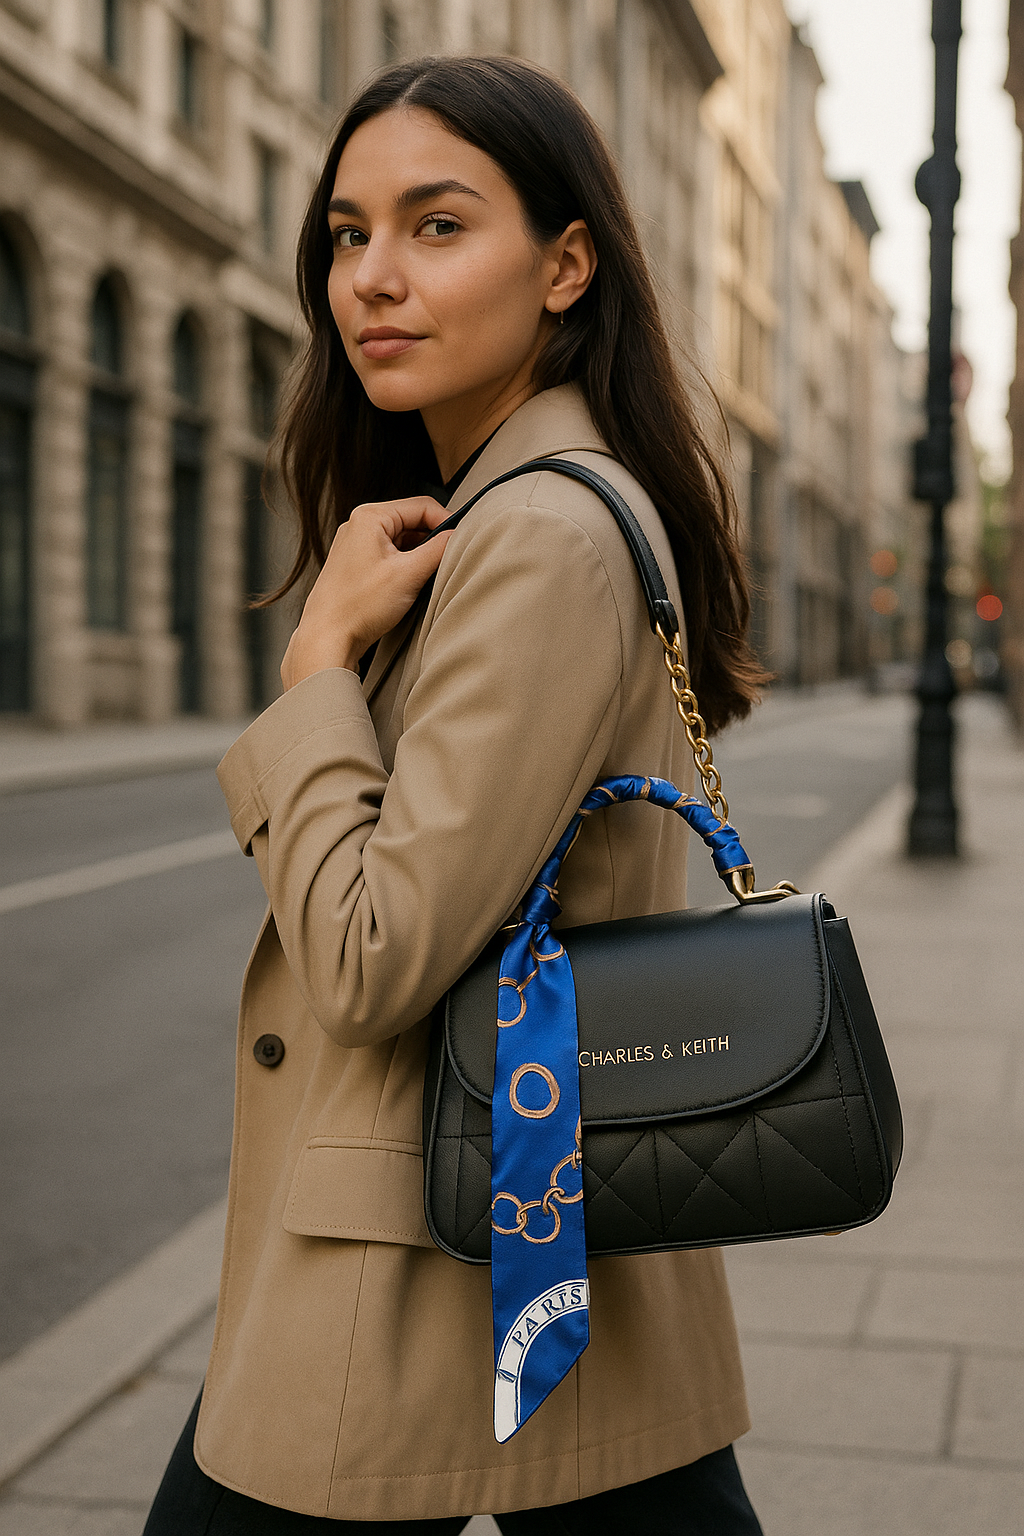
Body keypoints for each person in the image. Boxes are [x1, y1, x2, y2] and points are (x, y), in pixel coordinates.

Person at [144, 54, 767, 1535]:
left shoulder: (539, 535)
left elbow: (370, 956)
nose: (373, 277)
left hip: (421, 1255)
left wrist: (314, 671)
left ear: (566, 267)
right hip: (501, 1219)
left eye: (436, 227)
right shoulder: (501, 511)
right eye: (348, 235)